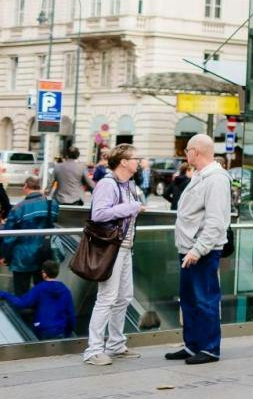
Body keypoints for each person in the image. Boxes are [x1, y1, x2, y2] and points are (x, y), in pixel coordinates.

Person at [166, 134, 232, 364]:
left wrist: (198, 249)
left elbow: (216, 221)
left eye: (187, 150)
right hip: (190, 248)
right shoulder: (201, 176)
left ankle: (210, 348)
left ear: (195, 152)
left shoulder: (216, 179)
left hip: (202, 251)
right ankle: (193, 345)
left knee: (205, 299)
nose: (185, 154)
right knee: (190, 300)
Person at [81, 144, 146, 366]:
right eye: (135, 158)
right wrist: (132, 208)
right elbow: (98, 214)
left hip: (125, 247)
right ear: (123, 162)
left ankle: (116, 344)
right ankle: (94, 350)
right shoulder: (107, 184)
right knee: (107, 297)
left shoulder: (128, 184)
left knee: (124, 297)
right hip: (112, 247)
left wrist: (132, 207)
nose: (138, 161)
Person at [2, 176, 58, 295]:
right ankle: (39, 311)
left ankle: (23, 312)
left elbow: (8, 237)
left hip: (22, 256)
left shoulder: (19, 208)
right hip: (44, 253)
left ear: (25, 187)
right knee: (42, 290)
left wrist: (5, 256)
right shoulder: (52, 204)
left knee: (21, 291)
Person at [0, 259, 74, 340]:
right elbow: (70, 313)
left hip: (42, 328)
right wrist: (69, 332)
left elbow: (21, 303)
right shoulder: (65, 290)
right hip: (60, 329)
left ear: (44, 273)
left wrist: (4, 294)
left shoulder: (40, 288)